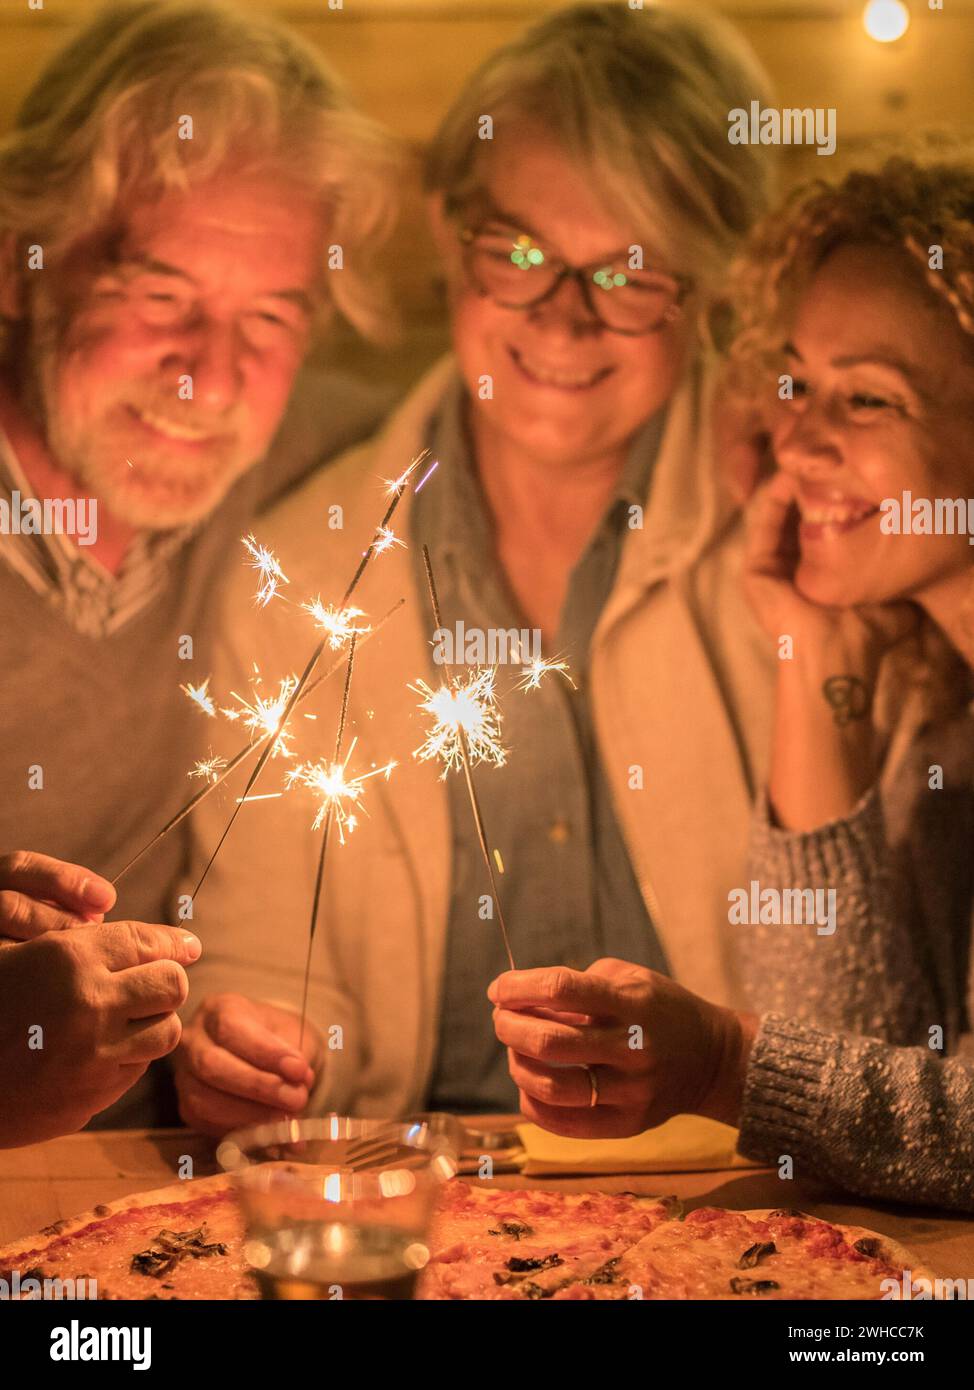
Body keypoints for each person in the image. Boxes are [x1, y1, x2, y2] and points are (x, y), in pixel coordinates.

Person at [175, 1, 788, 1136]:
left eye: (628, 273)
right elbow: (258, 950)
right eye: (516, 253)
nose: (561, 320)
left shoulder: (800, 543)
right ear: (446, 225)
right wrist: (250, 1046)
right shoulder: (298, 570)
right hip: (415, 1200)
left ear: (711, 281)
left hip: (740, 1193)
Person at [488, 157, 974, 1213]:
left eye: (869, 398)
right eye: (797, 380)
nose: (796, 438)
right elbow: (873, 1092)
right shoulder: (936, 707)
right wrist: (810, 654)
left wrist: (721, 1059)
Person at [0, 0, 398, 1139]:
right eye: (160, 294)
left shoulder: (322, 472)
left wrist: (219, 1052)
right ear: (20, 269)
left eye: (270, 317)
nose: (211, 382)